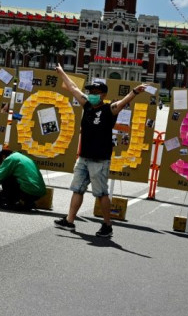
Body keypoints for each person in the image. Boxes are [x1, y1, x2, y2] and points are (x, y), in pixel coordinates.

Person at [54, 64, 147, 237]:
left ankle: (107, 225)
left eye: (95, 92)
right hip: (84, 157)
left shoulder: (109, 109)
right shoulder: (87, 106)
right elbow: (73, 88)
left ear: (103, 94)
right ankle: (69, 220)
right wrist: (61, 73)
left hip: (100, 159)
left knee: (101, 193)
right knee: (77, 189)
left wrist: (134, 92)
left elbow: (123, 102)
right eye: (90, 91)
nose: (92, 95)